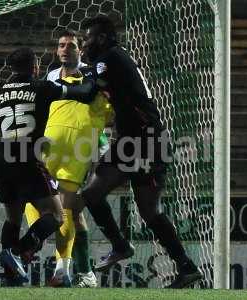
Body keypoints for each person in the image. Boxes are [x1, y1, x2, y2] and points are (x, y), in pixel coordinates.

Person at [79, 16, 203, 288]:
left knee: (147, 211)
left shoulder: (108, 57)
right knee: (92, 193)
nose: (84, 43)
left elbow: (88, 92)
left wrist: (60, 87)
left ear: (100, 38)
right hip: (132, 141)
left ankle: (186, 266)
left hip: (146, 141)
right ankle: (121, 245)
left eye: (87, 37)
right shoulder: (114, 58)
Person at [0, 47, 97, 285]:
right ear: (35, 67)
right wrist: (91, 78)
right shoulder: (42, 87)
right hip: (29, 160)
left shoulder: (0, 92)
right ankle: (18, 251)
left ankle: (11, 276)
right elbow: (83, 92)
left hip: (2, 159)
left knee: (13, 219)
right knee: (57, 215)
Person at [24, 29, 113, 288]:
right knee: (63, 210)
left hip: (77, 151)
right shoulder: (51, 76)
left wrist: (100, 147)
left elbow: (100, 113)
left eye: (71, 45)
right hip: (49, 149)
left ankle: (64, 270)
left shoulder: (91, 75)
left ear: (80, 50)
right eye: (62, 45)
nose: (65, 49)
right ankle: (85, 273)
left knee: (67, 209)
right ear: (56, 50)